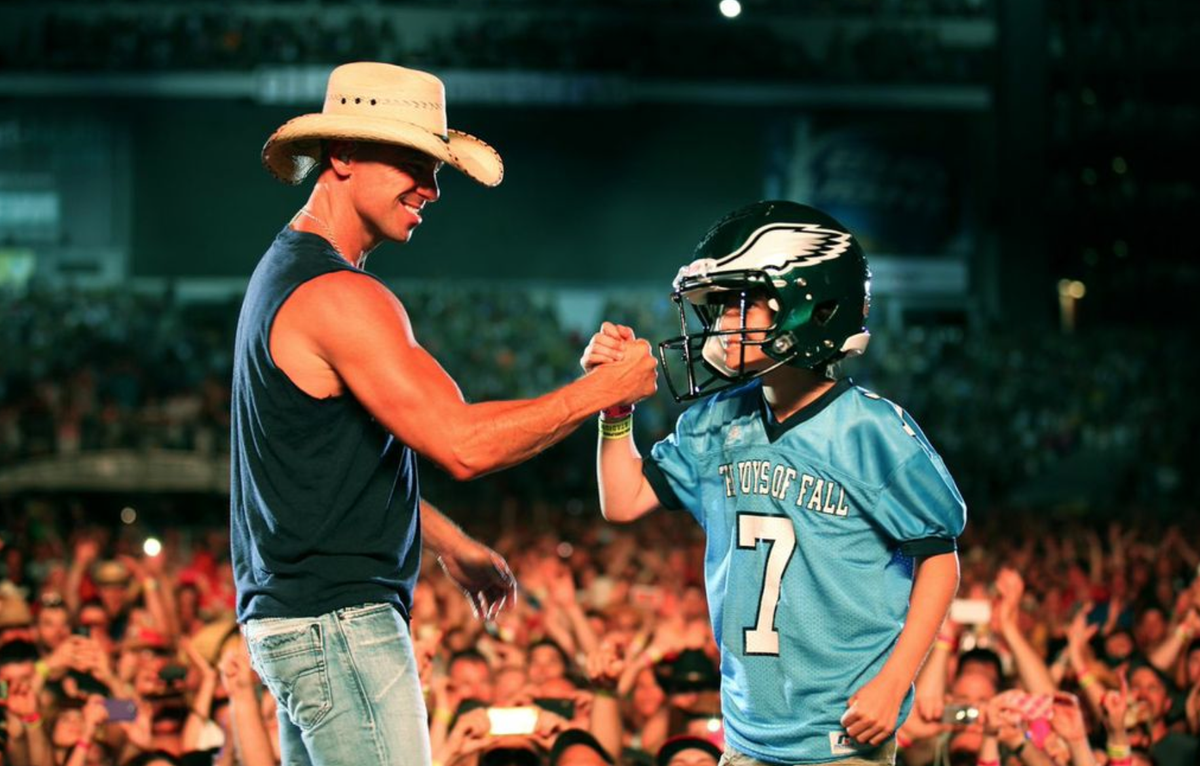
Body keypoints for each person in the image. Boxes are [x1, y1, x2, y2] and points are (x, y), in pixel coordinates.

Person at [231, 62, 658, 766]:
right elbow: (463, 445)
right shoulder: (341, 297)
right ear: (341, 154)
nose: (431, 190)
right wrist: (605, 389)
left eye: (436, 170)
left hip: (302, 626)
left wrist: (452, 545)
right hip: (339, 631)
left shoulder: (284, 274)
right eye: (413, 164)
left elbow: (327, 473)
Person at [582, 201, 965, 766]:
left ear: (809, 306)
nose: (720, 326)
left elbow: (939, 559)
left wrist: (894, 680)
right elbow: (623, 500)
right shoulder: (716, 419)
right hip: (746, 734)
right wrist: (613, 408)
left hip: (842, 738)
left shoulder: (871, 431)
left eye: (738, 304)